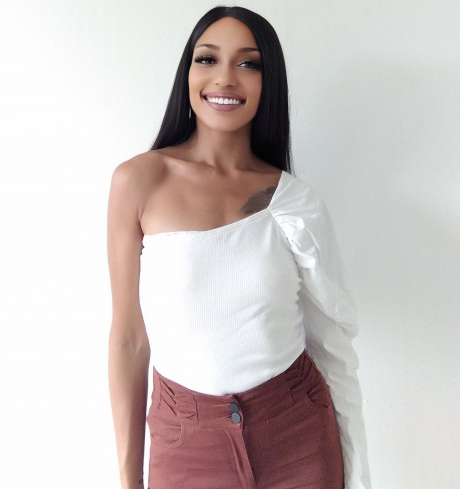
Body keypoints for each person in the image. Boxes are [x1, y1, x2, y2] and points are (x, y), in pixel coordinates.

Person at [107, 6, 371, 489]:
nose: (225, 77)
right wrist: (129, 479)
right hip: (184, 445)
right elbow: (129, 339)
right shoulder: (139, 182)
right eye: (207, 59)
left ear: (269, 84)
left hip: (297, 439)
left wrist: (358, 475)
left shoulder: (295, 203)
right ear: (188, 73)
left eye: (248, 63)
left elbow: (333, 346)